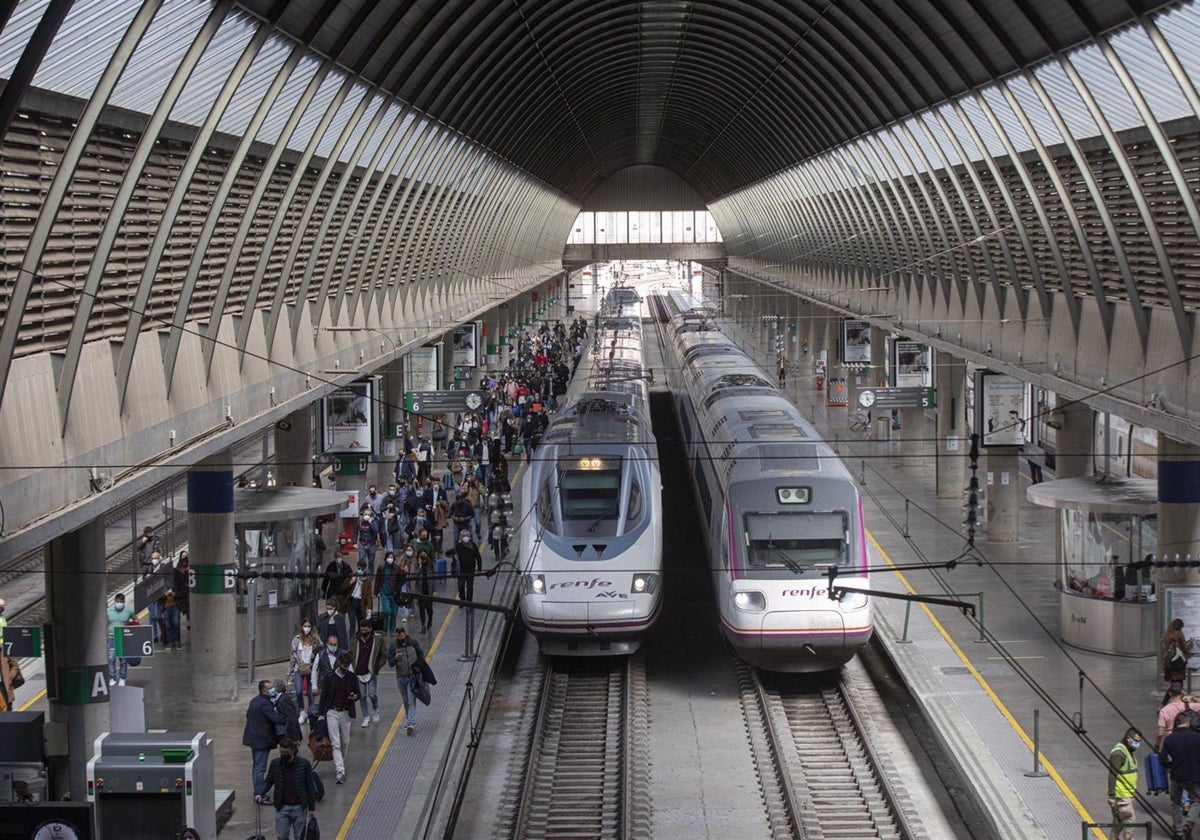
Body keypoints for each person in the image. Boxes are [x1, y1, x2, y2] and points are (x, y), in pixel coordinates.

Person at [254, 737, 316, 840]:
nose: (283, 755)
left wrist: (312, 808)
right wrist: (259, 793)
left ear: (293, 750)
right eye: (281, 752)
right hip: (282, 807)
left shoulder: (304, 765)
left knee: (299, 837)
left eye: (286, 752)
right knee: (281, 836)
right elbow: (268, 781)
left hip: (299, 808)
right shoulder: (275, 764)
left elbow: (310, 787)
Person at [317, 652, 358, 785]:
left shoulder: (352, 677)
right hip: (332, 712)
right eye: (343, 664)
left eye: (347, 665)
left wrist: (355, 697)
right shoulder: (329, 677)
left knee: (345, 741)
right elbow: (323, 697)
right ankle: (340, 771)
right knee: (336, 743)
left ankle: (340, 763)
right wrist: (321, 714)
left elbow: (359, 693)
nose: (345, 667)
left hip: (345, 712)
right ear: (339, 662)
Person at [242, 679, 286, 797]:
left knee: (256, 766)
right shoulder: (265, 704)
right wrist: (285, 718)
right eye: (270, 688)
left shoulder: (255, 700)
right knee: (260, 768)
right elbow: (275, 718)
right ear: (264, 690)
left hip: (253, 738)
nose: (273, 690)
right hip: (261, 739)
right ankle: (260, 794)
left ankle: (257, 791)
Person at [1162, 711, 1200, 839]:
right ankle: (1189, 824)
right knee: (1196, 800)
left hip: (1176, 775)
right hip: (1194, 776)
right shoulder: (1197, 737)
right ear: (1188, 723)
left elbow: (1163, 759)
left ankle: (1178, 831)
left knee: (1175, 802)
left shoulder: (1170, 739)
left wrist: (1170, 766)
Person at [387, 626, 424, 736]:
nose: (400, 639)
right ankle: (409, 720)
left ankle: (411, 723)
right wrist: (395, 658)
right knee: (405, 699)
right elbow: (390, 663)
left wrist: (420, 668)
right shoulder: (393, 646)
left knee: (411, 699)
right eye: (398, 637)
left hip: (412, 676)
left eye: (401, 637)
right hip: (401, 677)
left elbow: (420, 654)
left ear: (404, 634)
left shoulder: (413, 642)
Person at [1107, 727, 1142, 840]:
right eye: (1136, 741)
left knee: (1118, 823)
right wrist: (1112, 796)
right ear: (1128, 738)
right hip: (1120, 794)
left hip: (1126, 794)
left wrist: (1131, 794)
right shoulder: (1118, 753)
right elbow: (1113, 774)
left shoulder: (1128, 751)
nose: (1138, 744)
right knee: (1129, 819)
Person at [351, 621, 387, 728]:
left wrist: (376, 667)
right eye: (362, 630)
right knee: (362, 696)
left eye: (366, 630)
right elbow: (351, 653)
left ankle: (376, 709)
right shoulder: (355, 639)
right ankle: (365, 716)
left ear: (370, 629)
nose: (363, 632)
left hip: (371, 672)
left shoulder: (378, 640)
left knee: (372, 694)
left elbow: (384, 655)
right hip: (359, 672)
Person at [290, 619, 320, 725]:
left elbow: (320, 651)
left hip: (312, 669)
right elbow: (292, 655)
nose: (306, 628)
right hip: (299, 668)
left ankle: (311, 711)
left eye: (308, 626)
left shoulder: (316, 640)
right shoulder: (296, 640)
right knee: (298, 690)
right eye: (305, 626)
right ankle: (302, 711)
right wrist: (291, 670)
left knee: (310, 692)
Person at [376, 551, 403, 635]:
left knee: (394, 613)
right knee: (386, 611)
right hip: (384, 593)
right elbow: (377, 580)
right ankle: (384, 628)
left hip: (394, 594)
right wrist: (376, 592)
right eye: (389, 557)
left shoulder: (397, 568)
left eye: (392, 557)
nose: (390, 559)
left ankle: (392, 630)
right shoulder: (381, 568)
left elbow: (401, 580)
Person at [106, 594, 131, 686]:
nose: (119, 603)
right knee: (111, 658)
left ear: (124, 602)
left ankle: (122, 678)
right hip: (112, 638)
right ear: (114, 601)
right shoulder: (108, 611)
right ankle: (112, 678)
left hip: (123, 638)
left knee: (123, 659)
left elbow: (136, 619)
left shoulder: (128, 611)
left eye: (121, 601)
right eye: (117, 601)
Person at [454, 530, 482, 602]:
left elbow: (478, 557)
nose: (465, 537)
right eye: (463, 536)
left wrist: (479, 569)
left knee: (470, 587)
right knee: (461, 586)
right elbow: (453, 557)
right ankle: (462, 599)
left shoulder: (473, 545)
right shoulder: (458, 546)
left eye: (467, 535)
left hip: (471, 569)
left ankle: (469, 601)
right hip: (461, 570)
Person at [273, 678, 303, 743]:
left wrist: (296, 737)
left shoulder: (284, 700)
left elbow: (293, 718)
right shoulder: (280, 699)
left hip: (289, 733)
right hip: (285, 731)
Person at [347, 560, 373, 636]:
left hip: (360, 603)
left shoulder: (367, 580)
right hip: (351, 602)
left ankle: (359, 638)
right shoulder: (351, 576)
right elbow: (343, 588)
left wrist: (369, 609)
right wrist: (351, 582)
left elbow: (369, 595)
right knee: (352, 623)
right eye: (358, 568)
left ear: (365, 569)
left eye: (362, 569)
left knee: (360, 623)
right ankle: (351, 639)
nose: (360, 571)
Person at [1164, 618, 1193, 684]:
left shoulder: (1167, 633)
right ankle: (1178, 693)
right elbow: (1185, 648)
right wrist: (1191, 643)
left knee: (1172, 680)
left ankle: (1173, 692)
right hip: (1178, 660)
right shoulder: (1179, 633)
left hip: (1168, 659)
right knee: (1179, 680)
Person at [414, 550, 436, 634]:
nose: (423, 556)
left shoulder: (431, 565)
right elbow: (414, 576)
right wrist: (419, 566)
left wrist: (434, 590)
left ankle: (430, 620)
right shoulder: (417, 565)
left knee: (429, 608)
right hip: (420, 590)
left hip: (429, 590)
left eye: (424, 554)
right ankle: (423, 625)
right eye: (421, 555)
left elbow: (434, 578)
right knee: (421, 608)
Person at [173, 553, 190, 633]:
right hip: (182, 594)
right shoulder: (178, 571)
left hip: (187, 593)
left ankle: (189, 619)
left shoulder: (190, 569)